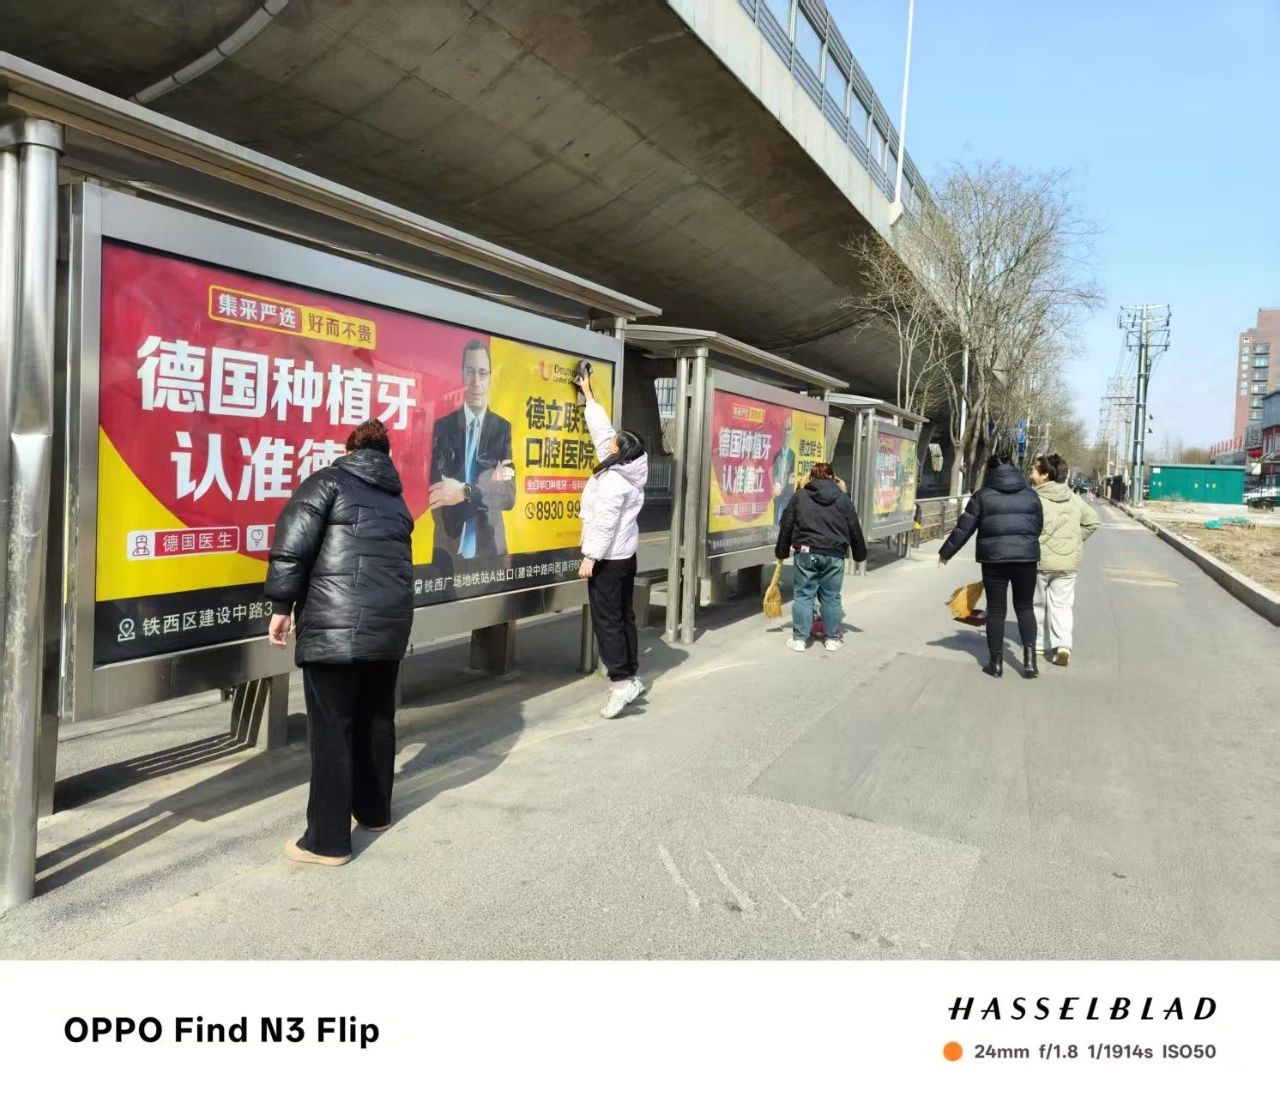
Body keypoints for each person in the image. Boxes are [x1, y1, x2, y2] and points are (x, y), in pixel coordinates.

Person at [266, 419, 414, 867]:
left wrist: (281, 605)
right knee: (377, 719)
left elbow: (293, 545)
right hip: (388, 628)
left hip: (334, 627)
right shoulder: (396, 500)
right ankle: (374, 812)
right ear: (385, 455)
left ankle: (327, 841)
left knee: (333, 728)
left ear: (349, 450)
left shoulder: (327, 482)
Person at [575, 370, 648, 719]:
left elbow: (604, 523)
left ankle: (620, 684)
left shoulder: (614, 482)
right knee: (623, 615)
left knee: (607, 621)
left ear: (620, 453)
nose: (608, 444)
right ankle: (632, 675)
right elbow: (602, 432)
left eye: (614, 444)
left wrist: (590, 557)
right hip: (625, 556)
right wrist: (588, 395)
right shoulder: (631, 466)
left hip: (607, 559)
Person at [938, 451, 1043, 679]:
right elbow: (1038, 527)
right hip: (1026, 560)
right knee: (1025, 607)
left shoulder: (982, 496)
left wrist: (946, 553)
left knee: (996, 609)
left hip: (994, 560)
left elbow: (964, 528)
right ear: (1014, 468)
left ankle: (995, 664)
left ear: (991, 471)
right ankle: (1030, 663)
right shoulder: (1031, 495)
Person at [428, 339, 516, 570]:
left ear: (490, 378)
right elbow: (437, 491)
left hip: (489, 548)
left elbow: (507, 496)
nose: (476, 382)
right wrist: (486, 488)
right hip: (448, 546)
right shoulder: (443, 427)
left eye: (482, 373)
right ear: (462, 374)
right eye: (470, 371)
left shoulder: (501, 429)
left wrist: (464, 491)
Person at [775, 462, 868, 652]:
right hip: (834, 554)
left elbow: (787, 523)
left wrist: (782, 551)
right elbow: (853, 526)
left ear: (810, 478)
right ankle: (832, 639)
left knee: (803, 596)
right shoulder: (842, 498)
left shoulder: (799, 496)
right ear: (833, 478)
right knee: (831, 597)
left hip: (806, 552)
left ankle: (799, 639)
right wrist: (860, 554)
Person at [1029, 453, 1100, 667]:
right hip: (1068, 564)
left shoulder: (1033, 498)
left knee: (1036, 604)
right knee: (1062, 605)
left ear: (1045, 475)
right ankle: (1063, 645)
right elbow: (1093, 522)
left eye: (1034, 470)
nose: (1031, 473)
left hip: (1039, 562)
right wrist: (1075, 541)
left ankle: (1038, 644)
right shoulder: (1073, 498)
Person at [771, 418, 797, 526]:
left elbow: (792, 475)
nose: (787, 434)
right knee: (776, 516)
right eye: (785, 430)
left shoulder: (793, 455)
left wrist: (788, 490)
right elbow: (773, 473)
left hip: (787, 492)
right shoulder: (776, 454)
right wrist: (775, 487)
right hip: (777, 491)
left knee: (785, 516)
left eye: (789, 430)